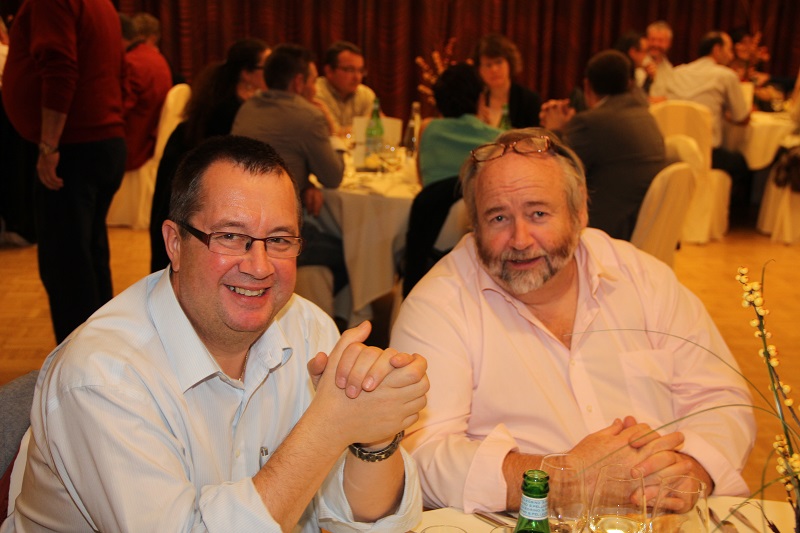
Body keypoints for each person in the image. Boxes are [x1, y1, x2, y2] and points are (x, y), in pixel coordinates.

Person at [4, 135, 427, 532]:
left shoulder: (307, 327)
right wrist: (327, 428)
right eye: (230, 236)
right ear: (174, 243)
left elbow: (360, 521)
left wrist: (373, 441)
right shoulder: (103, 377)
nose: (259, 267)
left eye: (279, 240)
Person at [392, 128, 755, 513]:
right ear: (475, 225)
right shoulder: (439, 305)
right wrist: (562, 479)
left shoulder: (644, 279)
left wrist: (693, 468)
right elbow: (419, 453)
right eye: (498, 218)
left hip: (663, 516)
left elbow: (721, 397)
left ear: (579, 211)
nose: (520, 239)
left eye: (538, 213)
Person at [2, 0, 127, 343]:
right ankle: (99, 352)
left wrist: (49, 145)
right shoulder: (102, 4)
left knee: (66, 267)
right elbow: (119, 72)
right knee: (88, 258)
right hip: (99, 141)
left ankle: (79, 362)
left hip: (73, 147)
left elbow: (59, 68)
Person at [232, 43, 347, 320]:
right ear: (298, 82)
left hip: (240, 214)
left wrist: (305, 183)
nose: (315, 89)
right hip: (279, 229)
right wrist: (332, 131)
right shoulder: (308, 115)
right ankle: (337, 323)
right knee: (352, 252)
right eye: (312, 81)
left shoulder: (248, 107)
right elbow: (333, 176)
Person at [150, 38, 270, 272]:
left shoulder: (221, 98)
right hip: (194, 185)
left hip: (182, 181)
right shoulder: (237, 112)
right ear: (246, 73)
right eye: (266, 67)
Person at [539, 50, 666, 241]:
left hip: (606, 228)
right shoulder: (644, 114)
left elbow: (553, 171)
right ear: (629, 83)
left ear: (587, 85)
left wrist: (553, 131)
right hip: (640, 222)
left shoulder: (591, 122)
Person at [653, 31, 752, 220]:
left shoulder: (678, 72)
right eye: (729, 49)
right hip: (707, 153)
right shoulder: (725, 75)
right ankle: (730, 219)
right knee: (742, 165)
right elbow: (742, 117)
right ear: (717, 49)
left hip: (671, 149)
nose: (731, 55)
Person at [418, 63, 502, 187]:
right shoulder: (499, 140)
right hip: (475, 200)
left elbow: (422, 181)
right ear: (481, 98)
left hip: (434, 200)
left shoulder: (427, 129)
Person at [119, 12, 173, 173]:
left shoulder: (132, 62)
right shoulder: (157, 58)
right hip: (152, 144)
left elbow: (120, 110)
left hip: (133, 150)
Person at [472, 33, 541, 129]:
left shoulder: (528, 100)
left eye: (499, 62)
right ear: (479, 69)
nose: (494, 69)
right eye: (488, 65)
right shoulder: (474, 100)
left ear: (510, 63)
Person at [315, 40, 376, 137]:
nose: (357, 77)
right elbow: (331, 134)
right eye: (350, 70)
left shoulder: (366, 94)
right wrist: (362, 129)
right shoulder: (316, 92)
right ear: (329, 71)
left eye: (360, 70)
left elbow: (375, 131)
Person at [644, 20, 674, 97]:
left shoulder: (670, 69)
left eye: (660, 41)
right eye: (652, 39)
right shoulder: (638, 64)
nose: (655, 44)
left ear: (669, 43)